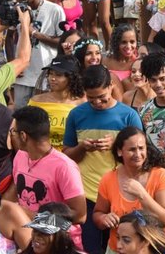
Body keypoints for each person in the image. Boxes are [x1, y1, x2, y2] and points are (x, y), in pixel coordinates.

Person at [62, 65, 143, 254]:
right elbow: (66, 155)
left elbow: (140, 154)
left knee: (119, 246)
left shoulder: (128, 115)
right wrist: (82, 147)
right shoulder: (76, 114)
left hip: (119, 193)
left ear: (111, 86)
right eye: (91, 99)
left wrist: (118, 145)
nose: (97, 102)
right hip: (87, 193)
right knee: (90, 247)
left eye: (101, 97)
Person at [92, 127, 165, 254]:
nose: (138, 154)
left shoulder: (161, 175)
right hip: (117, 249)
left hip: (153, 250)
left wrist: (142, 195)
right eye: (132, 149)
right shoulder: (108, 179)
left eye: (141, 148)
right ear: (119, 151)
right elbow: (98, 213)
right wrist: (104, 218)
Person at [9, 106, 87, 226]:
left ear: (23, 136)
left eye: (13, 131)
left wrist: (29, 215)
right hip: (27, 236)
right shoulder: (20, 156)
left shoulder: (64, 167)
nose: (11, 136)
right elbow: (15, 191)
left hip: (57, 240)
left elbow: (80, 216)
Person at [29, 55, 86, 150]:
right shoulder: (36, 101)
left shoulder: (82, 104)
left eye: (58, 75)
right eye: (51, 74)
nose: (52, 78)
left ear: (71, 78)